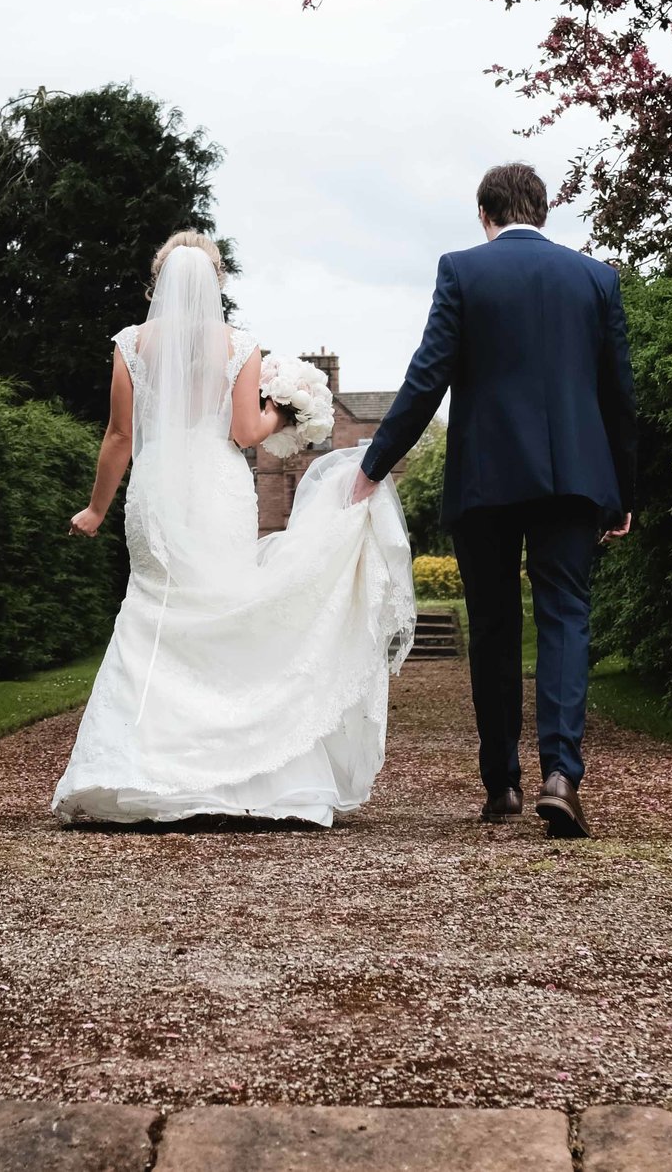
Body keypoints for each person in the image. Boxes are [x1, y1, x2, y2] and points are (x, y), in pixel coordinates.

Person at [52, 232, 416, 826]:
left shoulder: (131, 344)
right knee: (226, 608)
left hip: (158, 487)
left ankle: (136, 768)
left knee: (154, 611)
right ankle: (247, 769)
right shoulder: (239, 345)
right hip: (218, 489)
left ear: (159, 281)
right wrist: (286, 409)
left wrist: (96, 510)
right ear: (216, 283)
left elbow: (120, 436)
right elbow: (247, 432)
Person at [349, 165, 637, 838]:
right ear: (543, 210)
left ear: (485, 214)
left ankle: (502, 783)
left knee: (495, 626)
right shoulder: (596, 279)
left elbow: (427, 376)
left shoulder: (462, 271)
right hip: (573, 477)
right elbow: (619, 395)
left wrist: (374, 462)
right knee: (565, 614)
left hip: (486, 478)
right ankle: (561, 774)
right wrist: (624, 488)